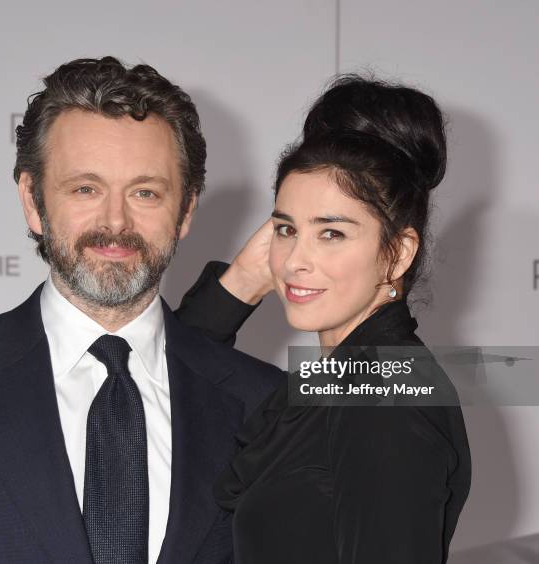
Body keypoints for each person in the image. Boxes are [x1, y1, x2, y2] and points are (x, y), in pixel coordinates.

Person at [0, 57, 282, 564]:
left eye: (145, 192)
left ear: (186, 211)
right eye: (86, 189)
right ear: (33, 201)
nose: (115, 221)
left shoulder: (265, 404)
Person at [181, 75, 472, 563]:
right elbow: (161, 390)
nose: (296, 259)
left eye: (331, 234)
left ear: (397, 252)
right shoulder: (340, 381)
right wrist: (244, 280)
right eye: (286, 229)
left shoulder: (386, 402)